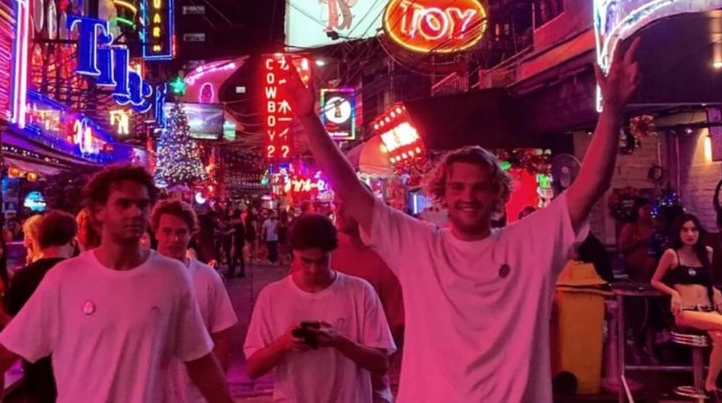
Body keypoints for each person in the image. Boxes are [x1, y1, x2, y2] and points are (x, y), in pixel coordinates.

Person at [286, 40, 641, 402]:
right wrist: (310, 119)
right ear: (443, 193)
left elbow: (590, 185)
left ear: (497, 195)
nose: (468, 197)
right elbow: (349, 187)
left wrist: (612, 109)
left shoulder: (530, 243)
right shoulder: (418, 246)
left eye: (479, 188)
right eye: (457, 187)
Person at [0, 165, 234, 403]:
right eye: (123, 204)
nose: (135, 213)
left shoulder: (171, 277)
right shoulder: (64, 278)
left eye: (142, 204)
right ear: (99, 211)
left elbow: (200, 360)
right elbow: (6, 349)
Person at [244, 215, 394, 403]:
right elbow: (253, 368)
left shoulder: (361, 292)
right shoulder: (271, 296)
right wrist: (283, 343)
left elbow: (381, 364)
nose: (314, 269)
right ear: (294, 253)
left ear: (333, 253)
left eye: (321, 261)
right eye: (306, 261)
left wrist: (339, 341)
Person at [152, 199, 238, 403]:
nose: (174, 239)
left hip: (196, 395)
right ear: (155, 232)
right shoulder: (140, 278)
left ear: (191, 234)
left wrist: (214, 386)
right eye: (167, 231)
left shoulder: (208, 278)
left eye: (181, 232)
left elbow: (222, 337)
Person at [6, 211, 78, 403]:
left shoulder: (23, 276)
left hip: (35, 362)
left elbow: (14, 319)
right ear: (72, 241)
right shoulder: (81, 275)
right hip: (73, 364)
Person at [651, 214, 722, 396]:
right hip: (686, 311)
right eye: (685, 229)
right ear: (678, 232)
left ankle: (710, 384)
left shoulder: (707, 252)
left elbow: (707, 281)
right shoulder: (671, 254)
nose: (690, 233)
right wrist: (673, 293)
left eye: (694, 229)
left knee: (721, 338)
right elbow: (655, 281)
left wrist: (715, 291)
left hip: (708, 310)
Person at [619, 198, 655, 281]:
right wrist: (639, 243)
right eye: (644, 209)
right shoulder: (630, 227)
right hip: (635, 269)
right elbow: (621, 248)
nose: (647, 211)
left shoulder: (655, 226)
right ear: (637, 210)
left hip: (653, 269)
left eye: (649, 208)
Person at [229, 210, 247, 278]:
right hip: (239, 242)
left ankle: (232, 272)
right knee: (239, 257)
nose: (232, 221)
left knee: (236, 257)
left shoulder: (239, 225)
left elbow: (232, 231)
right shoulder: (241, 224)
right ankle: (240, 272)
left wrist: (225, 233)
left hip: (239, 242)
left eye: (234, 219)